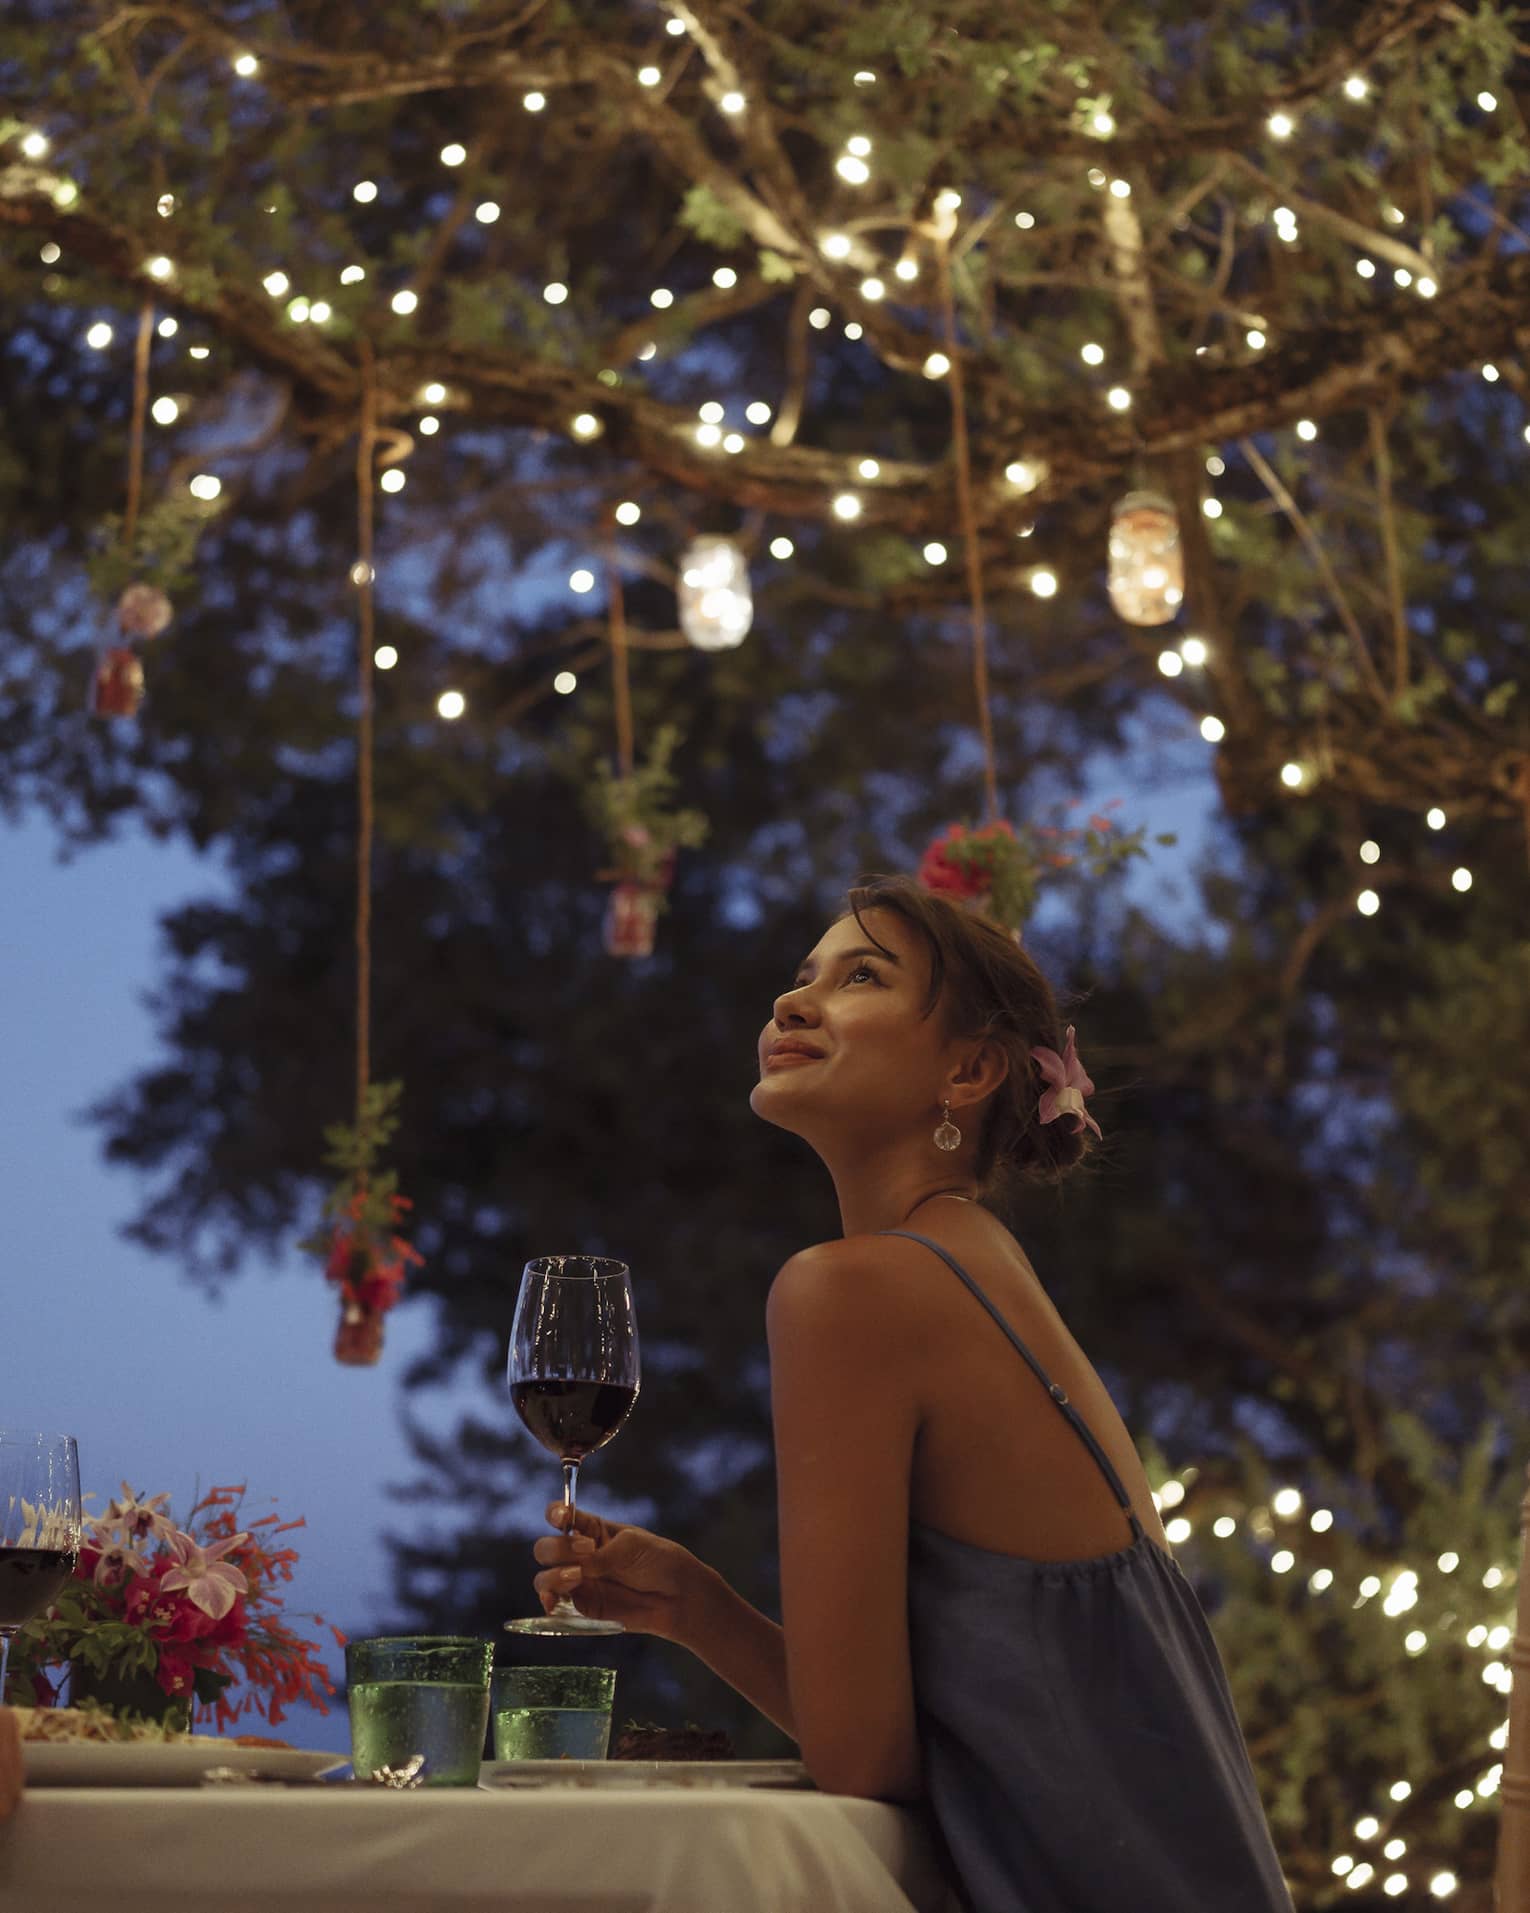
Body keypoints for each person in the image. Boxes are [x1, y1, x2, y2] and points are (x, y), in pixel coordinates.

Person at [531, 873, 1295, 1912]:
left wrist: (710, 1615)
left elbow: (863, 1760)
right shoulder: (979, 1263)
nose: (793, 1002)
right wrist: (696, 1607)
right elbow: (932, 1740)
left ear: (971, 1068)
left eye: (860, 977)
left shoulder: (852, 1290)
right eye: (802, 977)